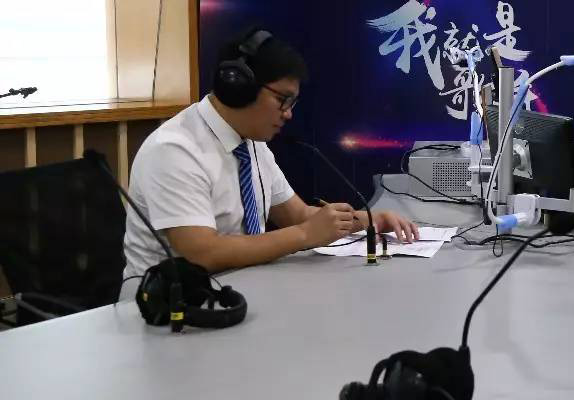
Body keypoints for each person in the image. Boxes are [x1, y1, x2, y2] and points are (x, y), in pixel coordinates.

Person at [123, 29, 418, 282]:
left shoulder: (250, 142)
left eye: (292, 103)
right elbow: (203, 253)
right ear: (238, 86)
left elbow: (298, 215)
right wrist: (304, 235)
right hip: (165, 306)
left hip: (238, 287)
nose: (288, 114)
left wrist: (371, 220)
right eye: (281, 99)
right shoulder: (174, 149)